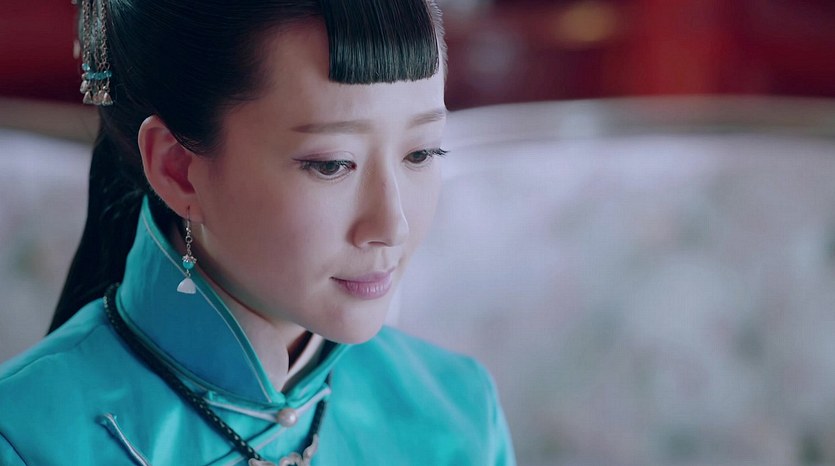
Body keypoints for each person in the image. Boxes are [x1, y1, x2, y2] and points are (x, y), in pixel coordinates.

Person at [0, 0, 516, 464]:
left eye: (421, 153)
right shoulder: (25, 440)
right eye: (332, 164)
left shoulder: (459, 413)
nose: (391, 226)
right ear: (179, 170)